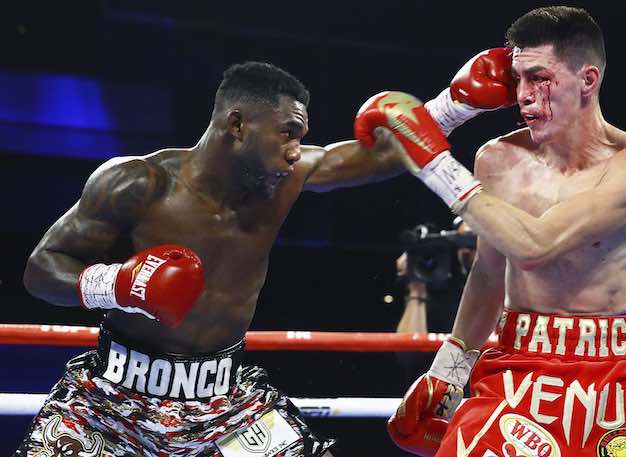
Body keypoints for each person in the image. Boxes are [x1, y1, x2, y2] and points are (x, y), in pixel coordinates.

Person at [355, 6, 626, 457]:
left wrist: (434, 164)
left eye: (539, 78)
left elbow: (536, 246)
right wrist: (450, 368)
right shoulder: (496, 160)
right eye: (517, 79)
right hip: (522, 361)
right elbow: (490, 272)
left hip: (625, 373)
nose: (524, 96)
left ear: (588, 81)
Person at [17, 61, 405, 457]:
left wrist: (454, 106)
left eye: (300, 138)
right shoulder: (137, 183)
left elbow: (390, 154)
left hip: (228, 407)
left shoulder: (288, 178)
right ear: (237, 126)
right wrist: (117, 285)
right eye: (287, 134)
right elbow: (42, 268)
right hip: (110, 403)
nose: (295, 152)